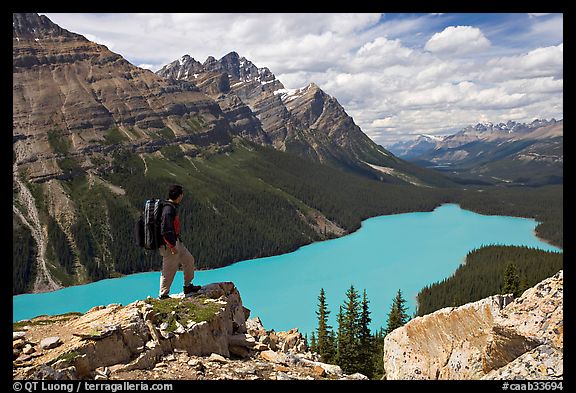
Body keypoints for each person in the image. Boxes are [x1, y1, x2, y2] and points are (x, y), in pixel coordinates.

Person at [158, 184, 201, 299]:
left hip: (176, 241)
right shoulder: (168, 209)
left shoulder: (172, 206)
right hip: (169, 244)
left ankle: (188, 286)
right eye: (182, 194)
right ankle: (163, 294)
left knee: (189, 260)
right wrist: (172, 246)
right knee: (169, 268)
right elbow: (165, 230)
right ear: (179, 195)